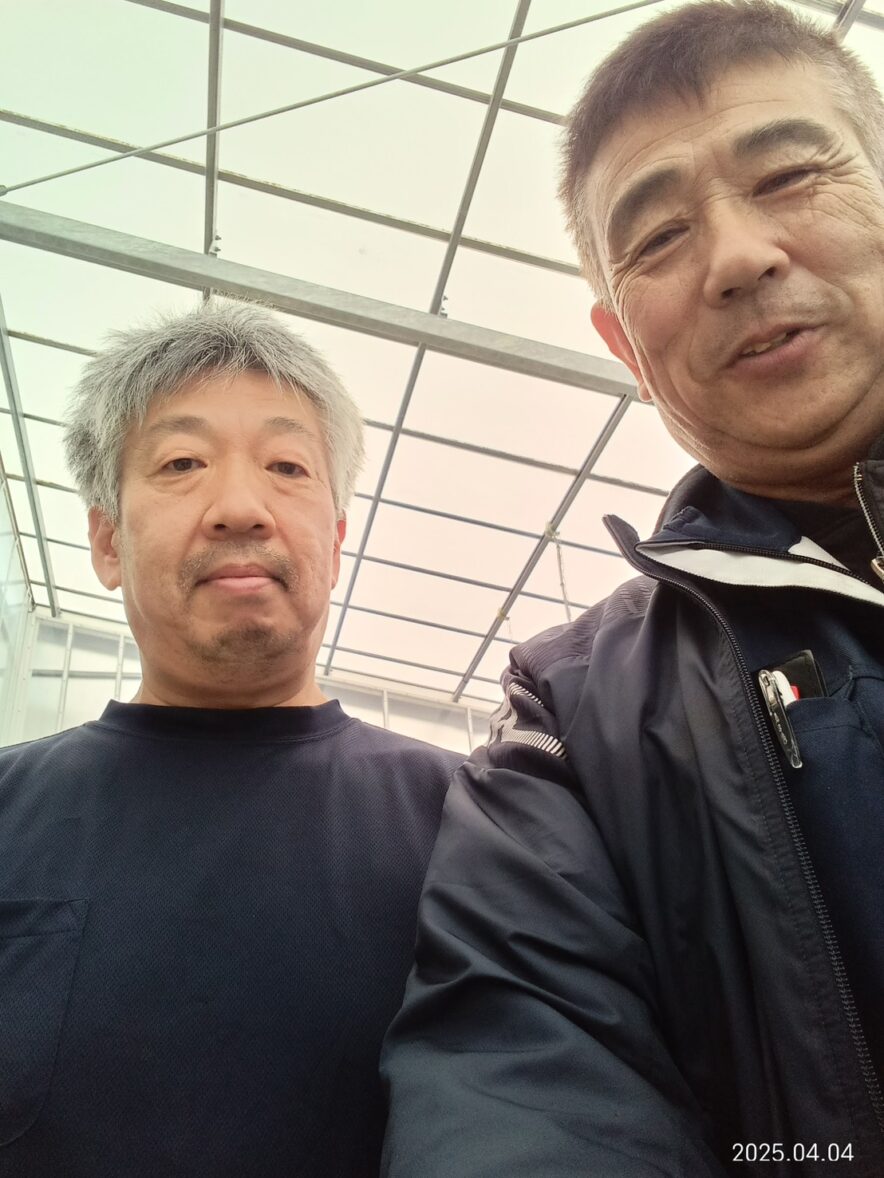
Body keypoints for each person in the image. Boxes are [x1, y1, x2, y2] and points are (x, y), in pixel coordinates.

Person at [381, 2, 884, 1174]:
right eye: (656, 237)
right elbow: (522, 1086)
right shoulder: (568, 720)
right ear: (623, 346)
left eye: (789, 174)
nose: (737, 258)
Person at [0, 301, 460, 1177]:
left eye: (287, 466)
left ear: (336, 540)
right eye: (182, 463)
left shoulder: (473, 818)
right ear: (106, 539)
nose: (241, 508)